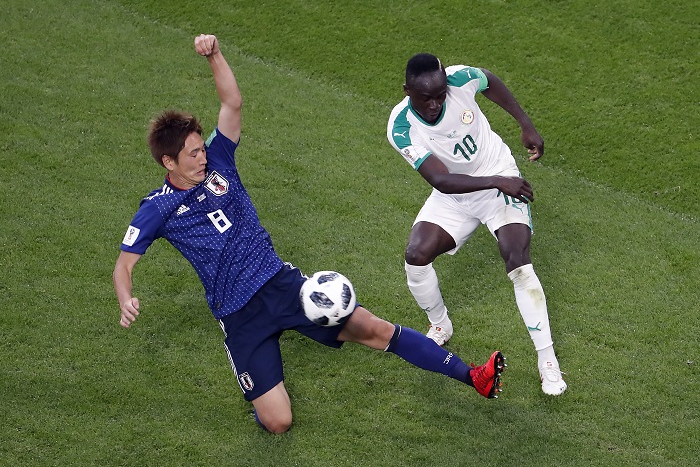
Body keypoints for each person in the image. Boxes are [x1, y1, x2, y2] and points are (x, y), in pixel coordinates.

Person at [113, 35, 508, 434]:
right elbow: (124, 263)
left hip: (282, 285)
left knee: (375, 329)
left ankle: (473, 375)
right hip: (239, 316)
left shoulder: (219, 160)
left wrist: (214, 56)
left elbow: (231, 103)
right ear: (168, 161)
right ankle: (261, 404)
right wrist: (126, 297)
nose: (202, 158)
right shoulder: (158, 207)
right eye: (192, 155)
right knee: (279, 422)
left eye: (201, 149)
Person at [386, 53, 566, 396]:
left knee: (517, 259)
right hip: (459, 193)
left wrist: (525, 123)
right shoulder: (401, 127)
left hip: (498, 181)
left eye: (441, 95)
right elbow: (442, 180)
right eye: (427, 98)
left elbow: (490, 81)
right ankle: (440, 324)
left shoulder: (458, 78)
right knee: (416, 255)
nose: (436, 103)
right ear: (407, 91)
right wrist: (497, 181)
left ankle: (547, 360)